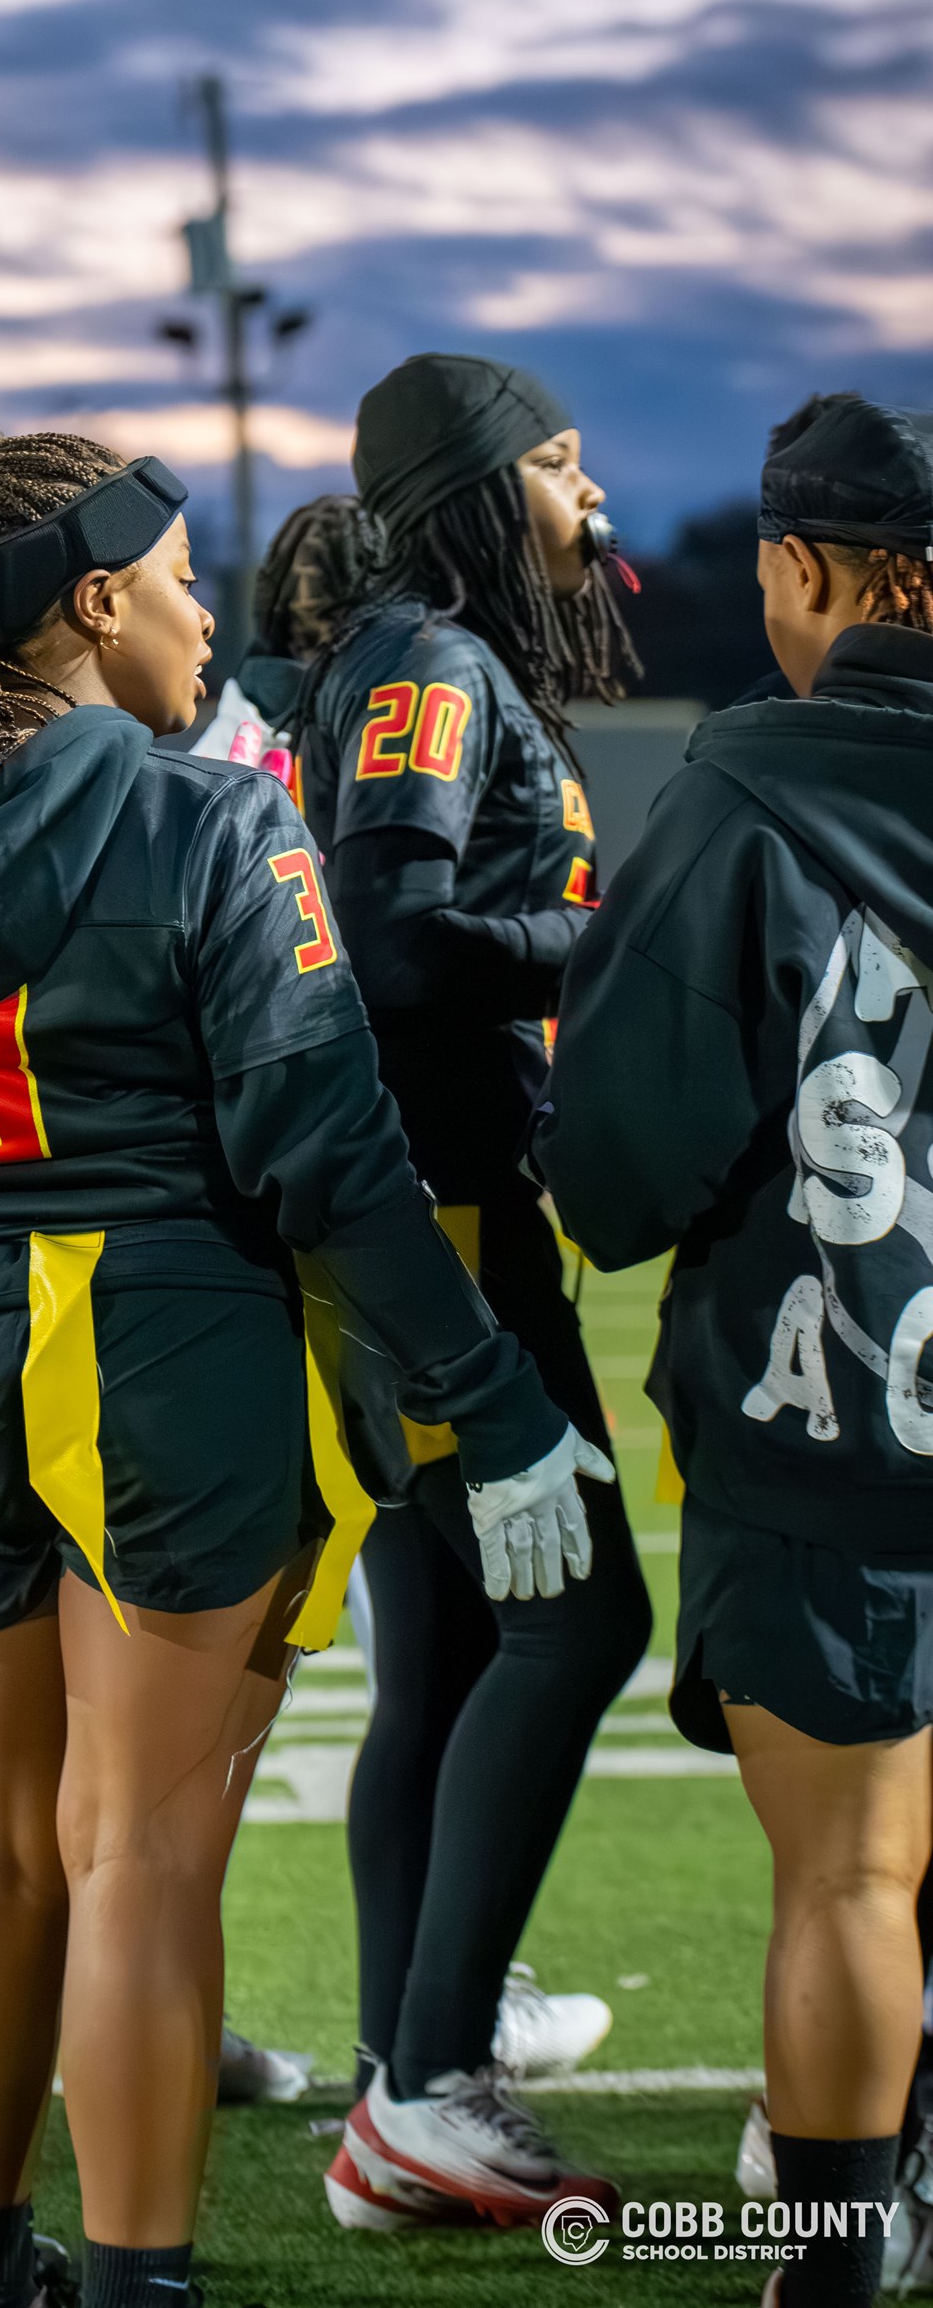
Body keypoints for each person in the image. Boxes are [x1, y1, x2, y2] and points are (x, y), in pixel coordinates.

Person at [0, 431, 612, 2308]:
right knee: (140, 1864)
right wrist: (496, 1412)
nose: (213, 607)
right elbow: (330, 1157)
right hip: (165, 1349)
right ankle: (134, 2283)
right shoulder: (206, 818)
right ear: (89, 606)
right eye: (179, 571)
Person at [537, 389, 933, 2308]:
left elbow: (611, 1165)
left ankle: (837, 2266)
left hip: (837, 1412)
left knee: (852, 1876)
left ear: (808, 568)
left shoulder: (747, 794)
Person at [250, 357, 652, 2231]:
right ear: (483, 486)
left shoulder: (437, 649)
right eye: (560, 464)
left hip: (439, 1202)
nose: (594, 496)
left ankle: (408, 2050)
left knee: (455, 1651)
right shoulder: (427, 656)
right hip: (444, 1216)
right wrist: (600, 935)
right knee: (578, 1616)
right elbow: (389, 932)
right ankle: (426, 2083)